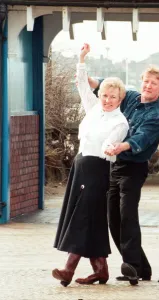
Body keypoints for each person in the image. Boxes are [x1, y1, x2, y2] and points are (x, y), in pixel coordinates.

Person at [52, 43, 129, 287]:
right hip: (80, 167)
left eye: (113, 97)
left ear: (120, 99)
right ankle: (101, 270)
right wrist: (81, 58)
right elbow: (82, 84)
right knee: (91, 219)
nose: (107, 100)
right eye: (105, 95)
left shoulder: (121, 122)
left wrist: (110, 147)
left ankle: (68, 268)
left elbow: (111, 143)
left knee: (82, 217)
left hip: (97, 169)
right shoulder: (93, 108)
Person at [88, 63, 159, 285]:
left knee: (127, 215)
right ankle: (143, 267)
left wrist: (117, 146)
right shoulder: (130, 97)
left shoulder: (157, 116)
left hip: (134, 168)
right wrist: (86, 76)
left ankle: (132, 266)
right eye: (146, 81)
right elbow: (105, 87)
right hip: (115, 165)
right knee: (113, 218)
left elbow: (138, 140)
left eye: (154, 83)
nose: (148, 86)